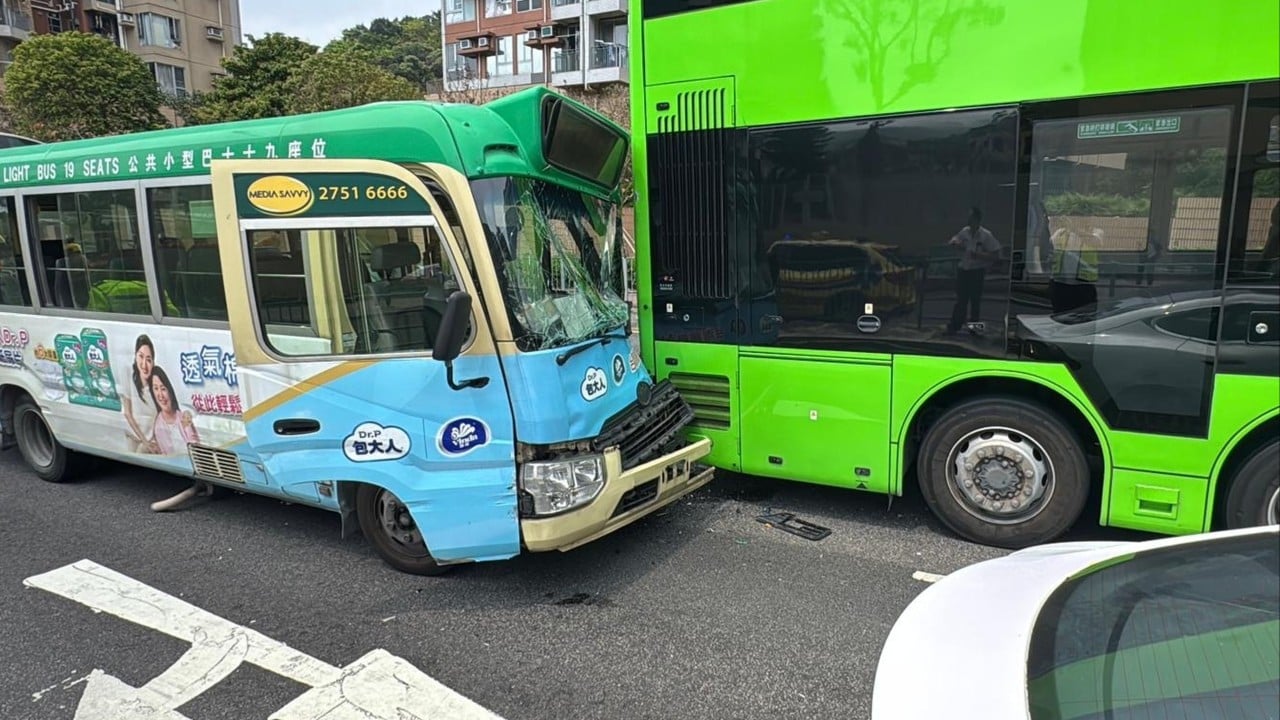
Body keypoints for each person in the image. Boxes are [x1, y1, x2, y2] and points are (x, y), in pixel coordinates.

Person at [946, 207, 1001, 333]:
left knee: (975, 302)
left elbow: (996, 254)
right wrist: (955, 243)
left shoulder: (986, 235)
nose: (968, 220)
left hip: (977, 272)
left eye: (971, 217)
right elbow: (954, 239)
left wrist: (979, 256)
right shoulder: (965, 231)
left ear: (977, 219)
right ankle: (954, 327)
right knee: (961, 300)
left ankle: (974, 330)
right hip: (963, 271)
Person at [148, 365, 200, 455]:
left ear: (170, 390)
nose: (160, 395)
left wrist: (187, 425)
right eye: (156, 389)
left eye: (163, 389)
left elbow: (195, 446)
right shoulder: (158, 426)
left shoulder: (183, 415)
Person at [121, 334, 160, 454]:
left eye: (148, 359)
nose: (144, 364)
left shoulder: (156, 383)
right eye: (141, 356)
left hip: (151, 440)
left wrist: (154, 441)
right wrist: (145, 442)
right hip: (133, 435)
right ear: (135, 356)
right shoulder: (128, 373)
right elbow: (127, 413)